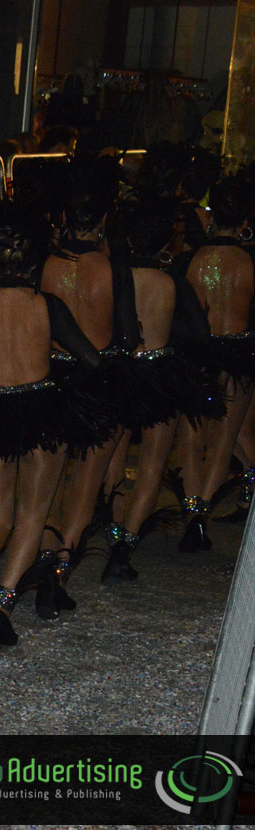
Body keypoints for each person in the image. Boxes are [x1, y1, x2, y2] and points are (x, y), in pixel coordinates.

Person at [0, 203, 103, 649]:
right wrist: (56, 379)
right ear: (36, 256)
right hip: (40, 412)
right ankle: (3, 603)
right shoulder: (46, 305)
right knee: (33, 514)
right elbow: (92, 360)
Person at [102, 192, 221, 581]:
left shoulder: (114, 277)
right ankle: (126, 544)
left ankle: (116, 534)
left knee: (114, 459)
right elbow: (201, 335)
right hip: (158, 375)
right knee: (152, 465)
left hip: (119, 373)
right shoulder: (170, 281)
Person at [35, 156, 134, 616]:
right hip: (97, 380)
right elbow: (127, 333)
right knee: (85, 485)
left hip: (52, 380)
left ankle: (40, 562)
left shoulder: (46, 264)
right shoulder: (111, 269)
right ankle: (57, 575)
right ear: (105, 218)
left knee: (49, 485)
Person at [175, 176, 255, 553]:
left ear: (210, 218)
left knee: (191, 439)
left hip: (199, 353)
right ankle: (200, 513)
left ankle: (193, 510)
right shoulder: (249, 260)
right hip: (238, 355)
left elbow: (189, 314)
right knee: (224, 443)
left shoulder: (195, 260)